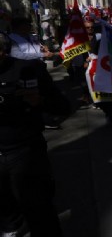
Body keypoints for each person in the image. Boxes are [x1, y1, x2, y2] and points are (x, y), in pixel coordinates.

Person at [0, 32, 71, 237]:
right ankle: (11, 228)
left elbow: (62, 107)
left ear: (3, 52)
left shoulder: (30, 70)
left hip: (25, 153)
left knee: (39, 211)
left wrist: (39, 101)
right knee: (7, 213)